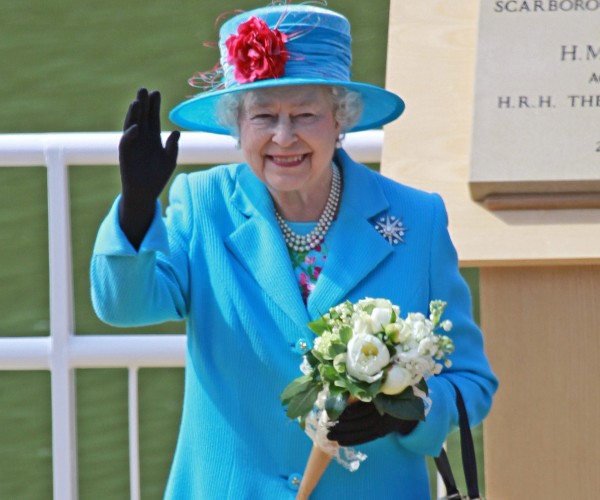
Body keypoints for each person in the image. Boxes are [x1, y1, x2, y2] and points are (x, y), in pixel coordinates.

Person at [90, 4, 498, 499]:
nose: (284, 137)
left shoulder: (417, 220)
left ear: (339, 120)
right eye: (263, 116)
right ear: (238, 125)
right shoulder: (203, 207)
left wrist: (406, 411)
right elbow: (124, 307)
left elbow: (472, 382)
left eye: (305, 114)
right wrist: (136, 209)